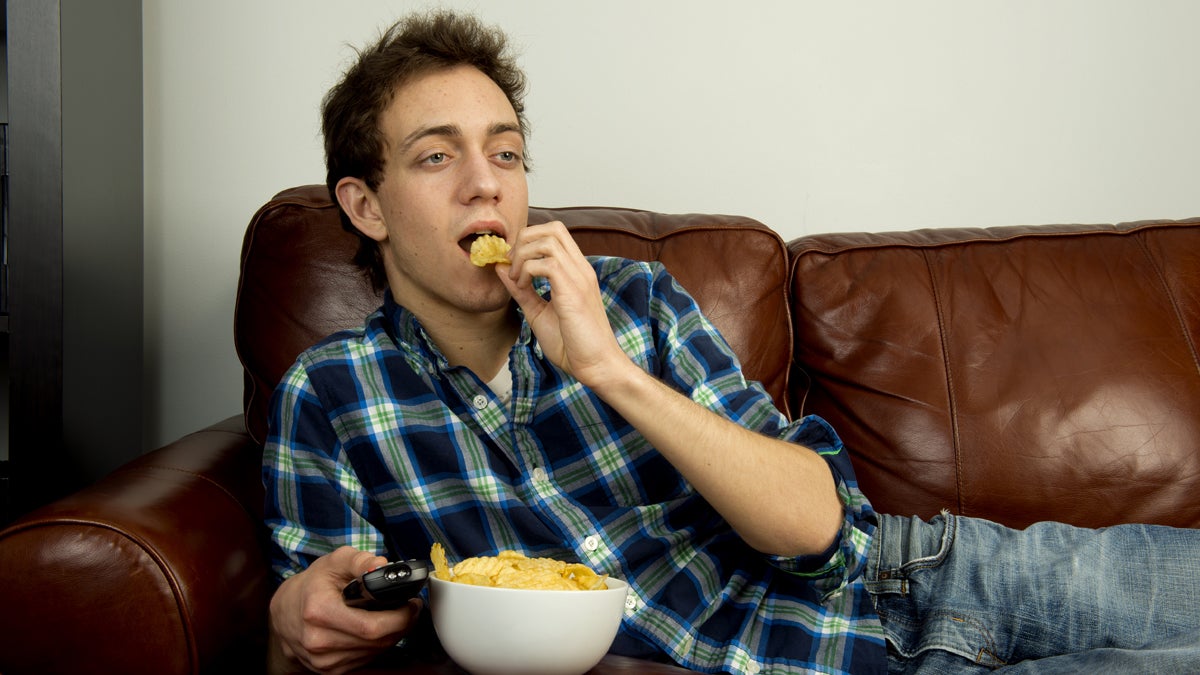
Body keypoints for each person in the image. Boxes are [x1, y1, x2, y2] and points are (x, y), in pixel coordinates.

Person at [263, 10, 1200, 675]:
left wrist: (608, 369)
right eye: (437, 156)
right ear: (365, 203)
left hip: (918, 579)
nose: (486, 186)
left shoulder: (632, 301)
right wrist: (289, 627)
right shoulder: (334, 395)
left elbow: (819, 527)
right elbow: (329, 640)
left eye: (505, 152)